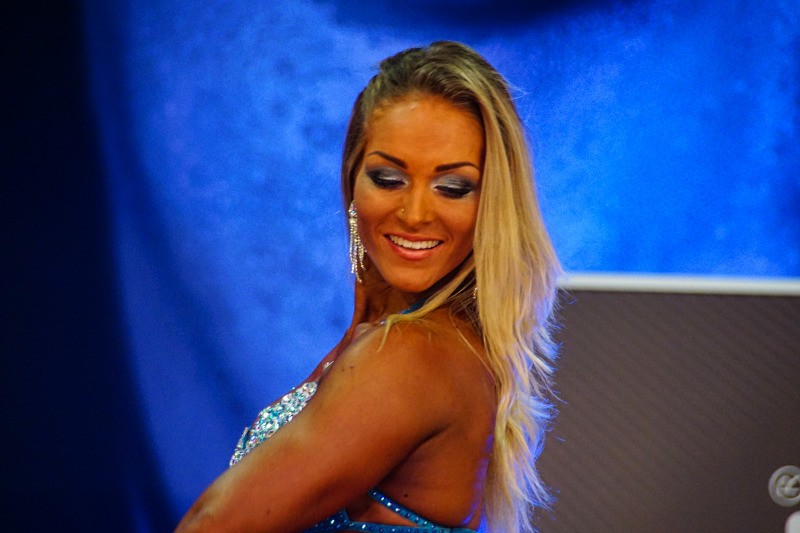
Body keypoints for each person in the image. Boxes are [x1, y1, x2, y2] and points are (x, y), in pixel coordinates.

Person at [177, 40, 560, 533]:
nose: (415, 213)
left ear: (494, 203)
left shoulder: (410, 356)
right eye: (388, 178)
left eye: (453, 187)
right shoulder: (431, 342)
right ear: (352, 181)